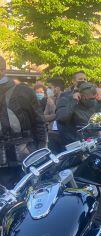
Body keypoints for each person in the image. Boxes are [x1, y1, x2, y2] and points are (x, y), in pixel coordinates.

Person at [0, 55, 47, 188]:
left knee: (29, 193)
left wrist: (42, 148)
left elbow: (39, 121)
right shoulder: (25, 91)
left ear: (2, 70)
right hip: (9, 157)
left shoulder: (24, 91)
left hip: (26, 152)